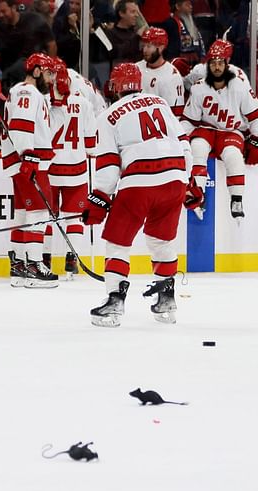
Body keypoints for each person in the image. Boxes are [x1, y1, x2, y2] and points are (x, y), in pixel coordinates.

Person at [84, 63, 196, 327]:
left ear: (114, 86)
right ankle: (166, 300)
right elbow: (184, 145)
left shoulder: (108, 115)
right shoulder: (159, 102)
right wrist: (188, 180)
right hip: (175, 178)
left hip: (140, 181)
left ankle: (114, 301)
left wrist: (99, 198)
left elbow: (110, 167)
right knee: (162, 240)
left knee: (118, 242)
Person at [182, 39, 258, 222]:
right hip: (206, 128)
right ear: (208, 64)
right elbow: (189, 120)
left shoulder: (240, 85)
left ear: (227, 64)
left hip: (231, 131)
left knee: (233, 155)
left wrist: (257, 141)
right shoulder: (199, 87)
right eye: (213, 63)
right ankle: (198, 194)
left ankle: (236, 200)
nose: (217, 67)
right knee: (196, 147)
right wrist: (180, 141)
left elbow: (256, 115)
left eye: (221, 63)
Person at [0, 52, 58, 288]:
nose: (51, 79)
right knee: (39, 214)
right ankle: (34, 265)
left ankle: (19, 266)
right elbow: (21, 124)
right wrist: (29, 156)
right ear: (36, 71)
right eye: (47, 73)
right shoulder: (27, 91)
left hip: (23, 160)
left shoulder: (27, 92)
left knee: (23, 213)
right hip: (30, 160)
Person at [40, 57, 96, 279]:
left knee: (46, 216)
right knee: (74, 217)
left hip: (51, 169)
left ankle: (44, 259)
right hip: (77, 169)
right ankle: (71, 262)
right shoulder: (84, 103)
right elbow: (91, 144)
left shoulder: (43, 101)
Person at [0, 0, 55, 79]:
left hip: (34, 75)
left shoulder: (34, 20)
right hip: (9, 77)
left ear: (13, 8)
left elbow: (51, 44)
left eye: (3, 11)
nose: (0, 15)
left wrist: (49, 69)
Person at [135, 26, 185, 117]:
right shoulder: (136, 68)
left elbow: (175, 115)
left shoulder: (172, 76)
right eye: (144, 45)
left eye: (149, 46)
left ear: (161, 48)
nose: (145, 50)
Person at [162, 0, 204, 65]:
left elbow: (199, 43)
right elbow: (170, 50)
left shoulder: (192, 22)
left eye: (191, 4)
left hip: (195, 63)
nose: (191, 7)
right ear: (177, 6)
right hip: (178, 64)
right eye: (187, 5)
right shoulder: (170, 23)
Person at [106, 0, 143, 65]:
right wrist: (136, 37)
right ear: (121, 13)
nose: (137, 15)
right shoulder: (111, 33)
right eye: (133, 12)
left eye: (137, 12)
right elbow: (118, 53)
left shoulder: (135, 32)